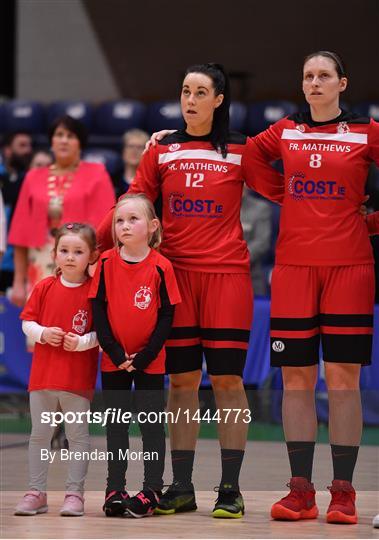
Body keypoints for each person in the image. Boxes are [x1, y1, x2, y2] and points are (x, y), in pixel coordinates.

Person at [97, 63, 283, 518]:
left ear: (219, 99)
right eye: (185, 91)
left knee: (227, 381)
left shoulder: (240, 149)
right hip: (175, 278)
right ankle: (180, 486)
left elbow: (280, 190)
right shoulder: (161, 150)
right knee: (180, 382)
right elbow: (131, 205)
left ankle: (230, 488)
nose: (191, 99)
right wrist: (91, 250)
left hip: (227, 279)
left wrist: (344, 207)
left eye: (201, 91)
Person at [244, 51, 379, 525]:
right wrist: (283, 193)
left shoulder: (366, 131)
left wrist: (375, 220)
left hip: (349, 268)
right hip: (294, 270)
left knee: (343, 379)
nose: (315, 83)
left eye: (324, 76)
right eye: (308, 76)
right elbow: (249, 156)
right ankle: (300, 491)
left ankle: (343, 492)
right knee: (296, 379)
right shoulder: (285, 131)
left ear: (343, 83)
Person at [90, 193, 181, 518]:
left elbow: (168, 315)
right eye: (119, 221)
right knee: (116, 427)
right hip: (112, 360)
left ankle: (152, 489)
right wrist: (114, 351)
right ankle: (114, 487)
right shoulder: (103, 264)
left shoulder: (161, 267)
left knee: (151, 427)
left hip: (149, 362)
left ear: (153, 226)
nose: (125, 226)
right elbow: (98, 309)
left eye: (133, 219)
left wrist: (144, 356)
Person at [14, 223, 99, 517]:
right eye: (64, 250)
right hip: (44, 377)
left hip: (76, 379)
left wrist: (83, 342)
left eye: (78, 251)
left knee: (77, 436)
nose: (70, 257)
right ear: (54, 254)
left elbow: (103, 334)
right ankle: (36, 492)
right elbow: (26, 322)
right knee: (40, 435)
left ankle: (75, 493)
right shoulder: (44, 287)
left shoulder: (94, 292)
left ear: (92, 256)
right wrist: (41, 333)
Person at [8, 115, 115, 308]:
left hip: (82, 261)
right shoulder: (33, 176)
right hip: (39, 261)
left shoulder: (97, 173)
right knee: (40, 325)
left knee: (76, 322)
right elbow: (20, 233)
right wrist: (18, 282)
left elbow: (106, 228)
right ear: (51, 141)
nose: (64, 140)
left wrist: (97, 273)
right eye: (59, 135)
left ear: (80, 143)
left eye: (70, 135)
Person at [0, 131, 33, 292]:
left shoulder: (29, 180)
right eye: (22, 145)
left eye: (29, 146)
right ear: (7, 150)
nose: (28, 150)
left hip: (16, 262)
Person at [240, 188, 272, 295]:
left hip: (250, 277)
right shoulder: (218, 208)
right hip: (220, 276)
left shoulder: (260, 208)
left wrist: (235, 258)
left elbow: (262, 243)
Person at [112, 129, 150, 199]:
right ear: (123, 150)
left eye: (139, 147)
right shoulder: (112, 181)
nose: (134, 151)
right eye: (130, 146)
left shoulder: (152, 182)